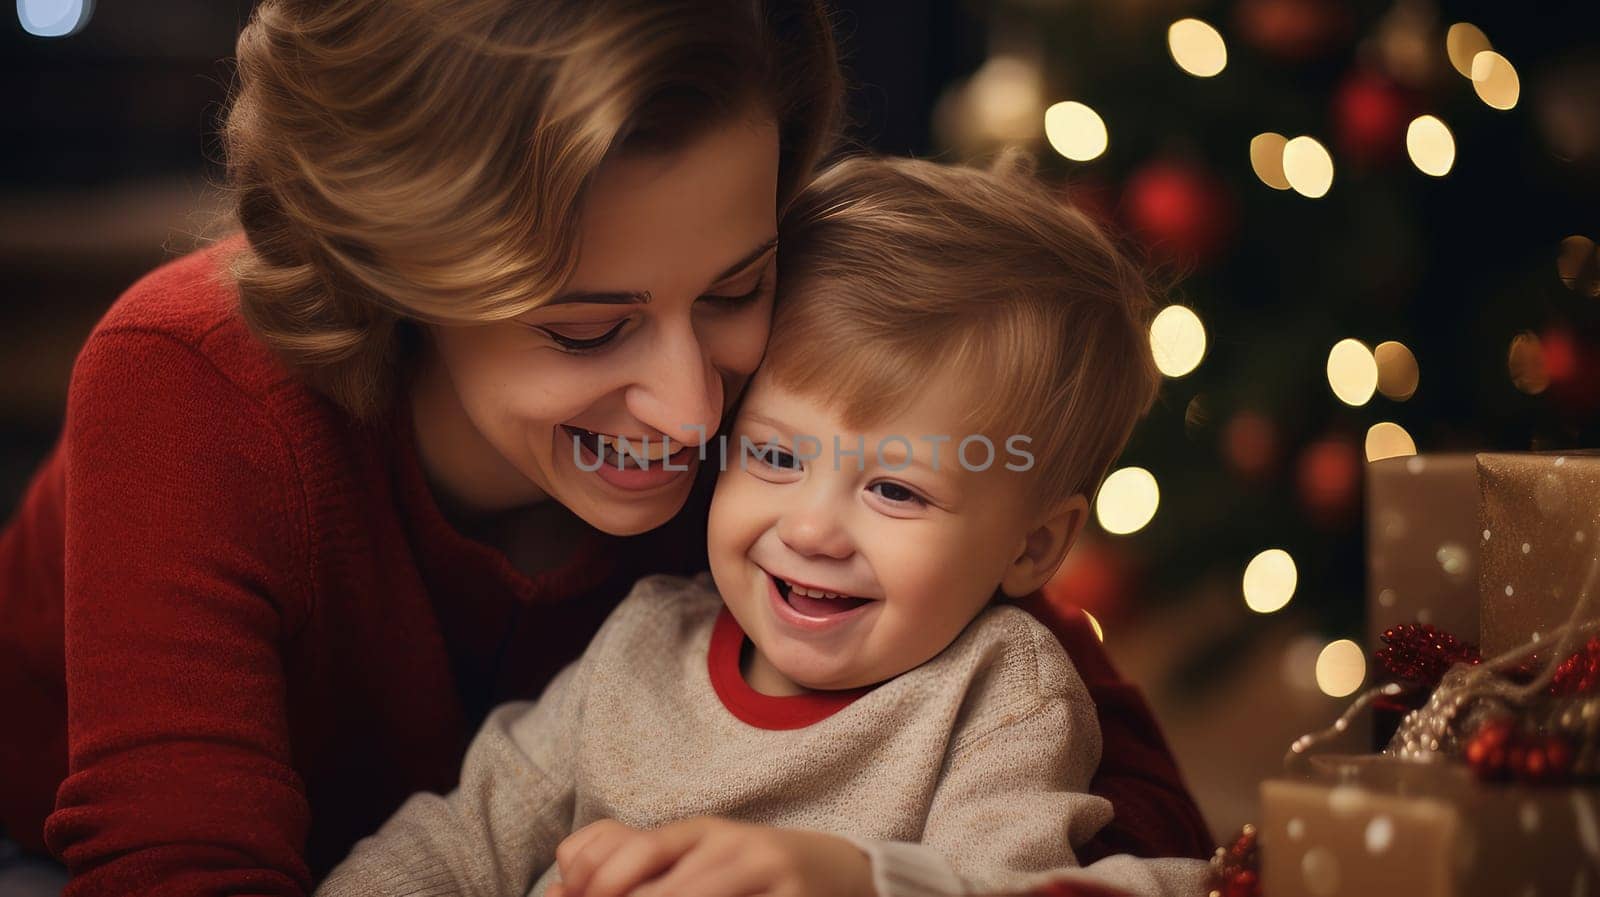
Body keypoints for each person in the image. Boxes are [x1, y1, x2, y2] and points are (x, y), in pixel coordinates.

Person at [0, 3, 1207, 896]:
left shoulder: (794, 411)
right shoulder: (193, 385)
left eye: (737, 285)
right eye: (587, 326)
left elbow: (1142, 817)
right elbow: (174, 868)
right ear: (397, 278)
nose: (692, 415)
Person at [314, 155, 1210, 897]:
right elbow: (459, 841)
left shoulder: (999, 696)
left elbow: (1026, 889)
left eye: (896, 491)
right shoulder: (643, 644)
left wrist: (861, 879)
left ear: (1034, 546)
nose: (814, 529)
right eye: (775, 459)